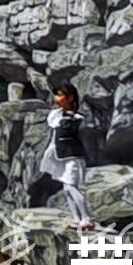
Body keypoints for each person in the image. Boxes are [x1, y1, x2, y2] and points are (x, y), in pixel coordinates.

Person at [47, 83, 93, 230]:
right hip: (61, 156)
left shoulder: (78, 119)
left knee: (70, 187)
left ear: (70, 97)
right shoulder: (56, 115)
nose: (57, 98)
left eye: (60, 95)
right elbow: (53, 126)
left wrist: (71, 118)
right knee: (66, 187)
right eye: (57, 94)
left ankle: (86, 218)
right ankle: (76, 218)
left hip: (73, 157)